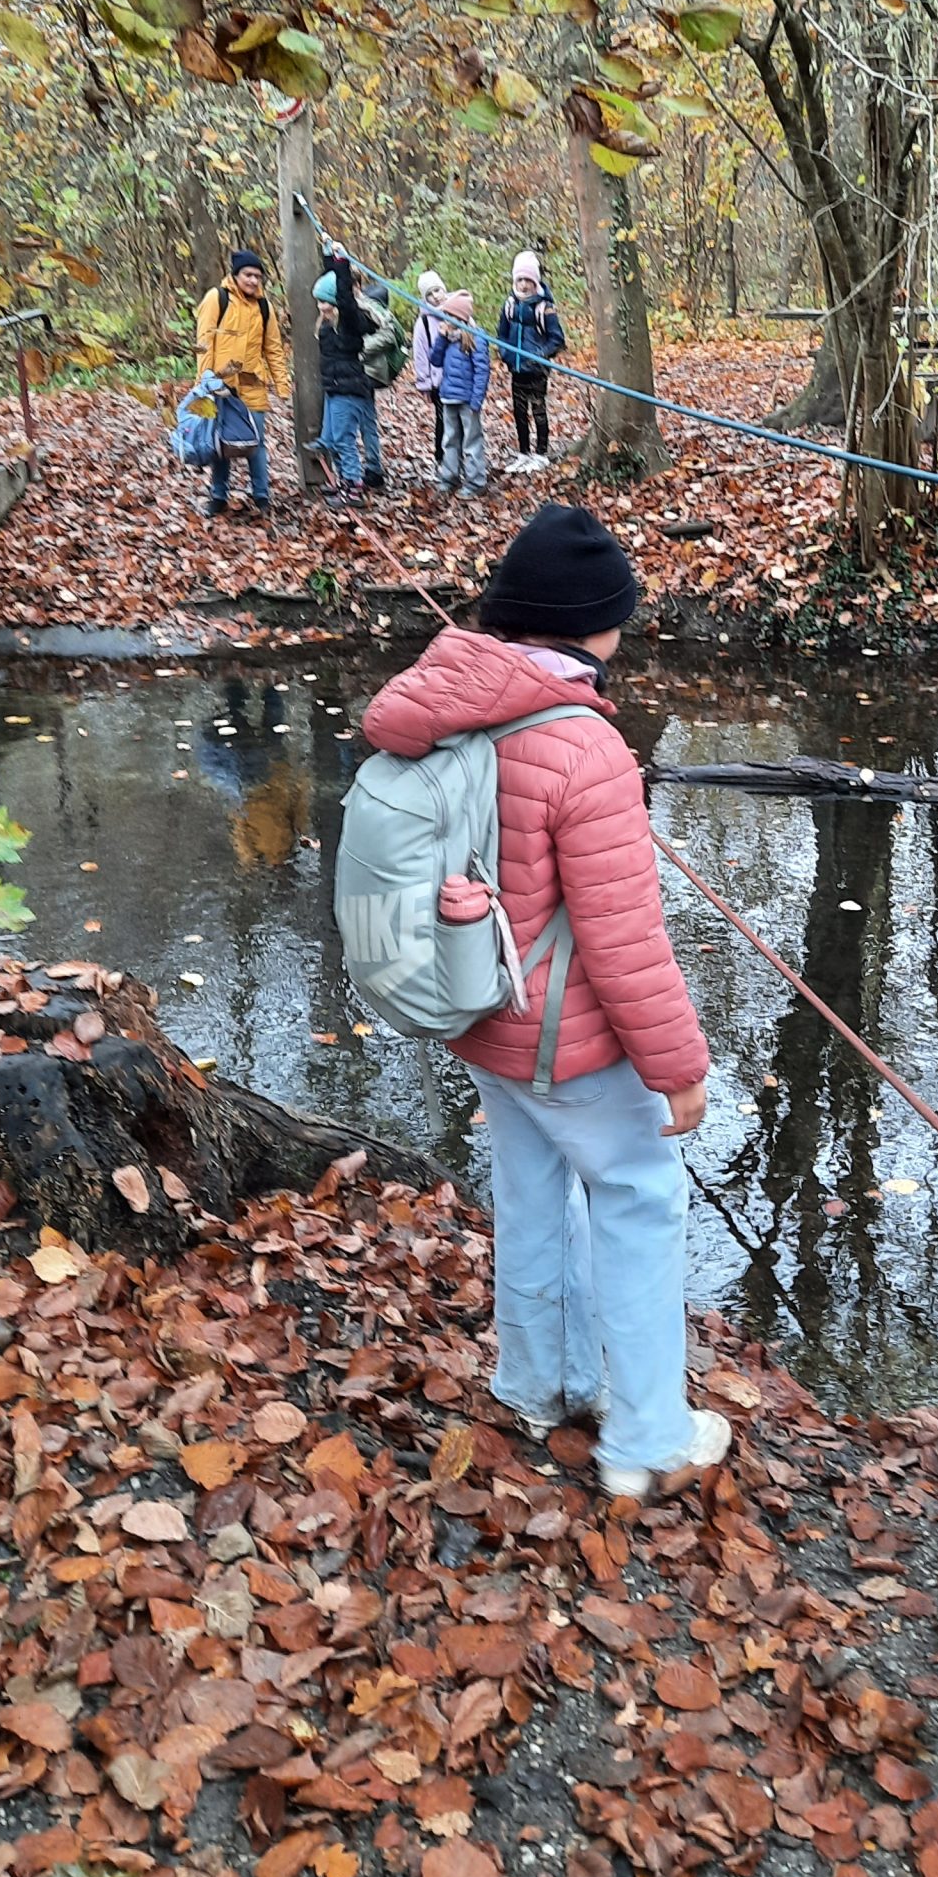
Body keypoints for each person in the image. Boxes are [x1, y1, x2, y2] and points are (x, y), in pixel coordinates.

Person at [359, 503, 724, 1498]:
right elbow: (623, 938)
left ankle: (535, 1380)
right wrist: (677, 1067)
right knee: (640, 1201)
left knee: (530, 1192)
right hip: (571, 1039)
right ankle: (648, 1437)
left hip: (480, 1017)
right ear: (597, 625)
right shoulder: (586, 747)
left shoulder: (445, 705)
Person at [193, 249, 288, 518]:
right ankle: (218, 495)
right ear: (236, 275)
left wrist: (282, 384)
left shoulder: (264, 307)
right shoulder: (217, 299)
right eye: (248, 275)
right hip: (220, 385)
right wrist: (205, 381)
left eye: (258, 276)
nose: (253, 281)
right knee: (220, 444)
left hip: (253, 385)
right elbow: (204, 341)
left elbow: (273, 348)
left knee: (255, 443)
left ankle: (261, 496)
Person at [310, 244, 384, 499]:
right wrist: (330, 256)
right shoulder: (328, 322)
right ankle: (344, 481)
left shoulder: (349, 322)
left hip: (348, 388)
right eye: (319, 301)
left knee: (344, 439)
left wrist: (342, 263)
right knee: (333, 439)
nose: (321, 306)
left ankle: (354, 486)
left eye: (325, 302)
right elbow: (331, 282)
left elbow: (343, 295)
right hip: (334, 387)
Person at [497, 251, 566, 468]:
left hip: (537, 370)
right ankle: (523, 452)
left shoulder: (544, 308)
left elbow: (557, 339)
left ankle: (541, 453)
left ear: (535, 281)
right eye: (520, 279)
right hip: (516, 368)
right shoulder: (509, 305)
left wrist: (540, 355)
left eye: (528, 280)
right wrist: (506, 354)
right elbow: (502, 334)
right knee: (519, 411)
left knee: (538, 409)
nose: (524, 285)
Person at [432, 288, 490, 496]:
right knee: (450, 438)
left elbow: (482, 370)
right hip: (449, 397)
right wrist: (441, 338)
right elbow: (435, 360)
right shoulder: (447, 339)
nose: (445, 319)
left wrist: (477, 400)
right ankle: (449, 476)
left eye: (449, 315)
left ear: (459, 317)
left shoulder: (475, 338)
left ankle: (476, 481)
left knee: (471, 440)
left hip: (467, 400)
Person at [411, 269, 448, 471]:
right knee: (442, 421)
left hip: (458, 379)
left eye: (437, 291)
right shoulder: (423, 322)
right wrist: (424, 382)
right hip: (438, 381)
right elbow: (420, 354)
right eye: (430, 294)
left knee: (460, 421)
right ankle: (441, 459)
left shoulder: (456, 312)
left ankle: (458, 457)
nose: (435, 297)